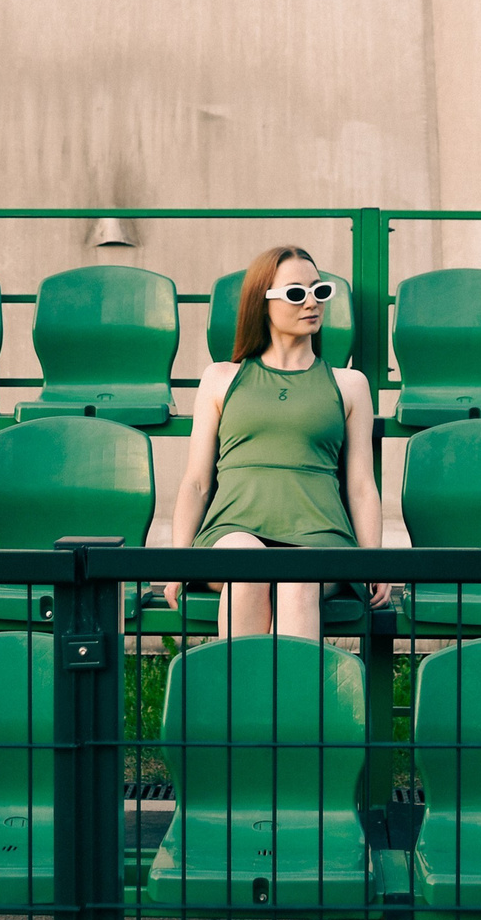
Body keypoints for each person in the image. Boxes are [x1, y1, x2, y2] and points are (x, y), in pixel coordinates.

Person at [165, 245, 388, 635]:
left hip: (320, 536)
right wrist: (176, 562)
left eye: (320, 291)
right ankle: (243, 679)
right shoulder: (220, 378)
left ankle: (288, 680)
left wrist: (375, 561)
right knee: (246, 564)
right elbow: (197, 482)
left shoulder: (350, 384)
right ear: (262, 303)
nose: (312, 303)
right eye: (296, 293)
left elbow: (361, 486)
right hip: (232, 530)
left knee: (297, 578)